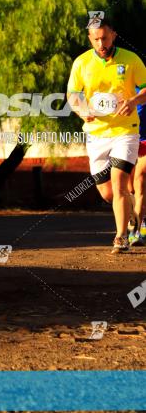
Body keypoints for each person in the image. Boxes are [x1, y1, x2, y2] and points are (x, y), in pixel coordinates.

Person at [67, 18, 146, 254]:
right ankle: (131, 213)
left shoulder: (131, 60)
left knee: (120, 182)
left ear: (113, 34)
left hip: (126, 131)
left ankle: (121, 237)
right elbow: (73, 94)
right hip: (96, 134)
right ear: (90, 39)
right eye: (96, 39)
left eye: (105, 37)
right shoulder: (81, 63)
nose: (101, 43)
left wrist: (133, 101)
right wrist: (82, 111)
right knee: (108, 193)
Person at [128, 99, 146, 246]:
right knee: (131, 189)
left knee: (139, 187)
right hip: (125, 139)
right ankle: (135, 224)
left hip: (143, 142)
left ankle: (136, 232)